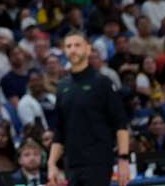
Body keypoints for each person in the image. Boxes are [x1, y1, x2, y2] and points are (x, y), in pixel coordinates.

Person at [48, 32, 129, 186]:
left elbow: (120, 123)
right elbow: (60, 130)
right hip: (71, 164)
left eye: (77, 45)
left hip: (98, 162)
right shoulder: (62, 86)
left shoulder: (102, 83)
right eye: (68, 46)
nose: (73, 50)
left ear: (88, 49)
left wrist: (123, 159)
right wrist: (52, 163)